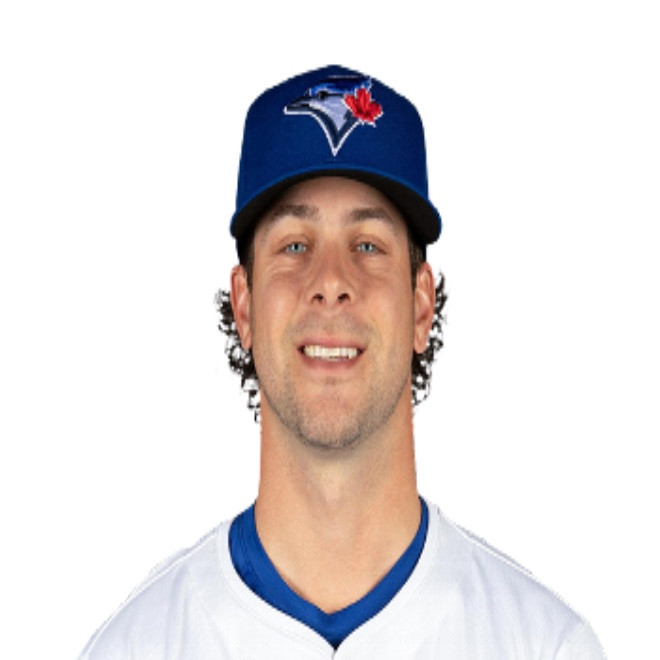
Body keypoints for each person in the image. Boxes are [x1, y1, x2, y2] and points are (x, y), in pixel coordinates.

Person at [80, 65, 605, 659]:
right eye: (294, 245)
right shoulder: (135, 648)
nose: (330, 281)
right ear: (245, 306)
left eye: (368, 246)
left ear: (421, 305)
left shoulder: (545, 647)